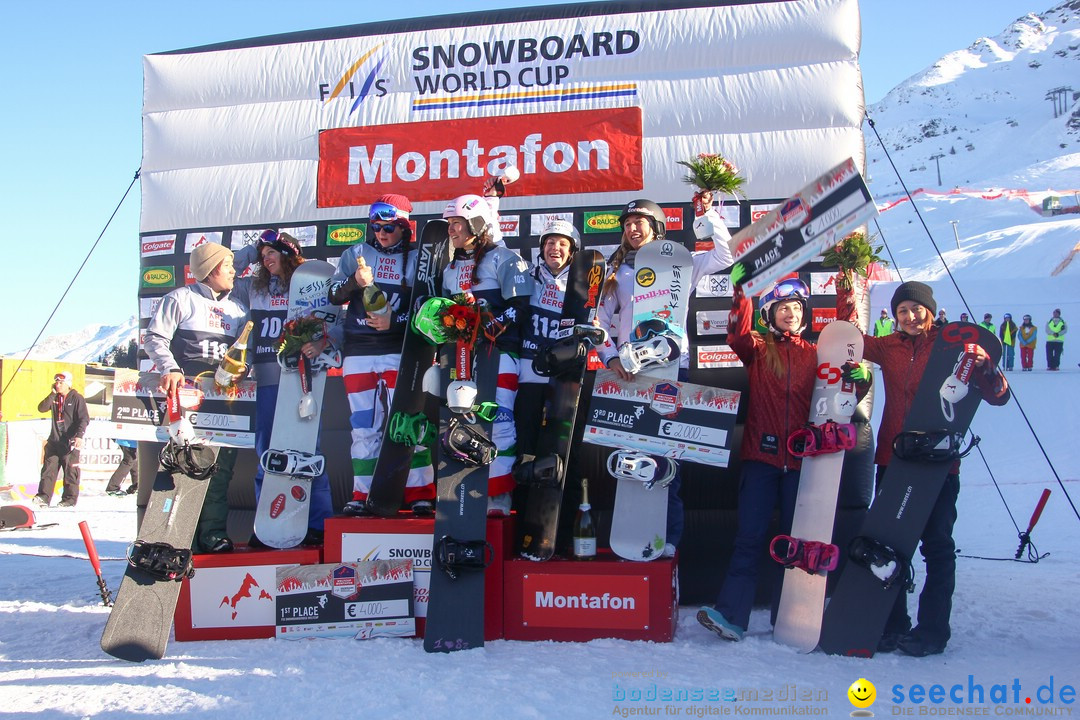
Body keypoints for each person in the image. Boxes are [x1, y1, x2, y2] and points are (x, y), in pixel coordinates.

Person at [838, 280, 1009, 656]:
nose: (911, 317)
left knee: (937, 548)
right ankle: (892, 624)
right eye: (902, 311)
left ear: (930, 311)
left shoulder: (953, 345)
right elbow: (847, 335)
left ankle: (932, 631)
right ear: (895, 316)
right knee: (889, 546)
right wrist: (845, 285)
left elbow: (998, 396)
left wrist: (987, 367)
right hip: (892, 459)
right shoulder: (888, 347)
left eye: (917, 310)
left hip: (937, 467)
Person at [596, 193, 734, 556]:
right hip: (630, 373)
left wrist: (707, 215)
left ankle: (668, 539)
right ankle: (632, 533)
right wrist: (610, 359)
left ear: (656, 227)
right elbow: (598, 321)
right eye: (626, 225)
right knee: (632, 457)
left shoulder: (682, 265)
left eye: (638, 222)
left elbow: (725, 256)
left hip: (674, 367)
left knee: (668, 455)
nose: (631, 229)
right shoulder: (616, 271)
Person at [696, 274, 819, 642]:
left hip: (801, 464)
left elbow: (844, 386)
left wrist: (860, 381)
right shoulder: (758, 348)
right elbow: (734, 334)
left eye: (797, 308)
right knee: (749, 538)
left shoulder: (815, 353)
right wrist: (742, 291)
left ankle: (793, 619)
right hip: (760, 461)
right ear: (770, 313)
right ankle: (732, 616)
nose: (791, 313)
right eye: (783, 307)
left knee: (796, 541)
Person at [327, 195, 436, 516]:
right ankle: (363, 494)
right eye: (376, 227)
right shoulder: (355, 253)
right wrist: (352, 283)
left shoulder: (419, 258)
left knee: (408, 422)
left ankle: (421, 493)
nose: (382, 233)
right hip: (358, 353)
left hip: (400, 351)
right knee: (363, 427)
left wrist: (396, 321)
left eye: (389, 227)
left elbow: (429, 309)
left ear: (404, 226)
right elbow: (332, 294)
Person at [144, 242, 248, 553]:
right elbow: (154, 337)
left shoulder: (238, 310)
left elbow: (247, 352)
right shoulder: (180, 298)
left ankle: (213, 535)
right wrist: (170, 368)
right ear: (213, 269)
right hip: (186, 400)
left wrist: (244, 369)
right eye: (228, 266)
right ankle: (177, 538)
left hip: (224, 400)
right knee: (183, 466)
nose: (233, 272)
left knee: (220, 469)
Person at [232, 230, 335, 545]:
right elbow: (226, 271)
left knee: (306, 452)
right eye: (262, 256)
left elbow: (332, 322)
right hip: (265, 380)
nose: (265, 259)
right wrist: (253, 249)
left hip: (302, 380)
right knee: (266, 452)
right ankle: (269, 526)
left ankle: (319, 523)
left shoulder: (308, 287)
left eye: (272, 252)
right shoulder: (253, 288)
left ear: (289, 253)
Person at [437, 183, 533, 516]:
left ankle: (499, 496)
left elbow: (520, 306)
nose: (452, 230)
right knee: (460, 422)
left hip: (500, 352)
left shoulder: (504, 258)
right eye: (450, 224)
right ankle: (463, 497)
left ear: (477, 225)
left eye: (458, 224)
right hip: (461, 356)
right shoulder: (449, 268)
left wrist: (487, 327)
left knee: (500, 420)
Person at [515, 218, 582, 458]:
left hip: (563, 373)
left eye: (563, 244)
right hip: (528, 368)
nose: (555, 248)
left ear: (573, 251)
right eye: (550, 242)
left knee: (558, 441)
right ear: (542, 248)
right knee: (525, 432)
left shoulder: (582, 285)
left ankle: (552, 490)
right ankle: (521, 488)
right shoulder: (526, 275)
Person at [34, 372, 89, 508]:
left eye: (61, 383)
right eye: (56, 383)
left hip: (69, 442)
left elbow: (84, 419)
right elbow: (41, 408)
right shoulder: (54, 398)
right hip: (54, 440)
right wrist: (52, 394)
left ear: (68, 384)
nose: (58, 385)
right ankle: (43, 497)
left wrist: (79, 436)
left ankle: (69, 499)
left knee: (70, 471)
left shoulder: (76, 398)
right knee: (48, 469)